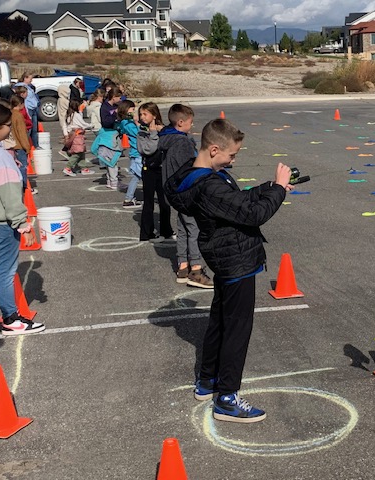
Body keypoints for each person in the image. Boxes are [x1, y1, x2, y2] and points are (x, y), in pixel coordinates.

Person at [165, 118, 291, 422]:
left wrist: (270, 187)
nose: (233, 160)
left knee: (221, 321)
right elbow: (252, 214)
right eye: (231, 155)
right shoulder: (209, 186)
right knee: (237, 329)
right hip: (235, 260)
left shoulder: (199, 176)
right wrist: (279, 192)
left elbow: (237, 201)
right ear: (213, 149)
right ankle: (227, 397)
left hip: (225, 257)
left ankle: (207, 381)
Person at [0, 103, 45, 335]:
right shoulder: (0, 158)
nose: (9, 130)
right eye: (6, 126)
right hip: (2, 224)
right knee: (6, 271)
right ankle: (11, 318)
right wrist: (22, 223)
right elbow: (10, 195)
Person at [158, 104, 213, 289]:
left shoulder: (167, 138)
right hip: (185, 192)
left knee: (183, 228)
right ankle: (196, 270)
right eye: (190, 122)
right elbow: (189, 168)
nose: (192, 125)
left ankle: (182, 267)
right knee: (194, 228)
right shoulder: (182, 142)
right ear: (180, 122)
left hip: (173, 192)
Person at [137, 102, 173, 240]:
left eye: (145, 114)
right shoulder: (142, 132)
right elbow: (147, 149)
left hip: (163, 169)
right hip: (149, 170)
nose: (142, 117)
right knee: (149, 202)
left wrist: (160, 131)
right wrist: (153, 133)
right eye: (141, 114)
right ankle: (147, 233)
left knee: (164, 202)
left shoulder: (163, 130)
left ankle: (166, 230)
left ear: (154, 115)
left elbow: (169, 144)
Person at [115, 100, 142, 208]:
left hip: (136, 152)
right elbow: (139, 133)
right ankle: (129, 198)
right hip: (138, 152)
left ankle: (129, 198)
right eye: (132, 109)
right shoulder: (127, 124)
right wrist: (137, 123)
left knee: (136, 176)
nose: (134, 111)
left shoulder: (125, 123)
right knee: (141, 176)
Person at [62, 99, 94, 177]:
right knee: (77, 152)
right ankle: (68, 167)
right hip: (77, 135)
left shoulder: (70, 114)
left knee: (81, 152)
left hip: (73, 134)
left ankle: (84, 168)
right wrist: (91, 125)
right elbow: (82, 124)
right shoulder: (76, 115)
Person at [9, 95, 31, 190]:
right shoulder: (18, 115)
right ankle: (24, 186)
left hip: (11, 145)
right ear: (20, 104)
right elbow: (22, 133)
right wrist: (27, 147)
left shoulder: (9, 114)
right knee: (23, 166)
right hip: (19, 145)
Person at [14, 73, 40, 149]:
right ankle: (26, 145)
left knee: (35, 129)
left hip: (33, 108)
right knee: (29, 128)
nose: (31, 80)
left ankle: (36, 145)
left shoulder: (29, 87)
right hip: (28, 108)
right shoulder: (21, 86)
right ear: (25, 78)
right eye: (30, 78)